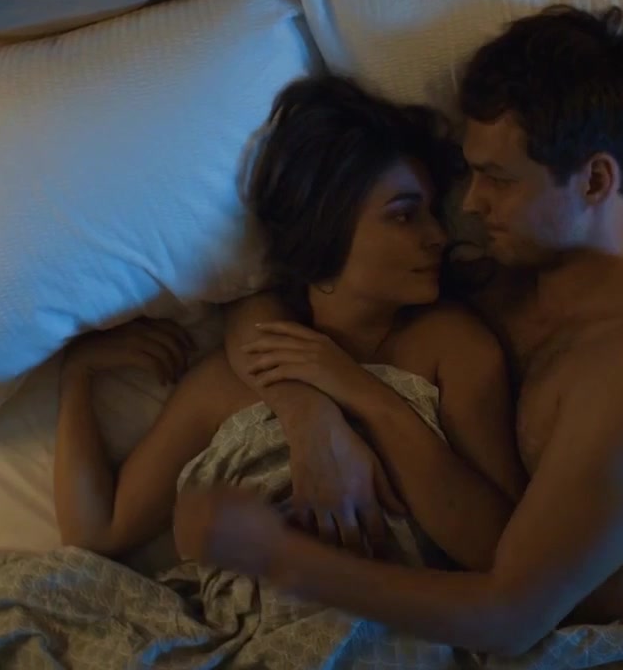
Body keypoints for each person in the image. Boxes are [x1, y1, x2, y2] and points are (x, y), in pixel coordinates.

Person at [175, 4, 623, 656]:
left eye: (498, 179)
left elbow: (508, 617)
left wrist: (273, 556)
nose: (471, 204)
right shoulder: (503, 285)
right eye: (473, 172)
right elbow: (276, 300)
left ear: (595, 180)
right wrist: (308, 412)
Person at [54, 75, 526, 574]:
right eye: (404, 216)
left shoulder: (451, 347)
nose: (437, 236)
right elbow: (96, 533)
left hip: (394, 610)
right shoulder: (231, 377)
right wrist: (76, 377)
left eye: (433, 213)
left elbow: (503, 554)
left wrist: (364, 394)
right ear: (326, 226)